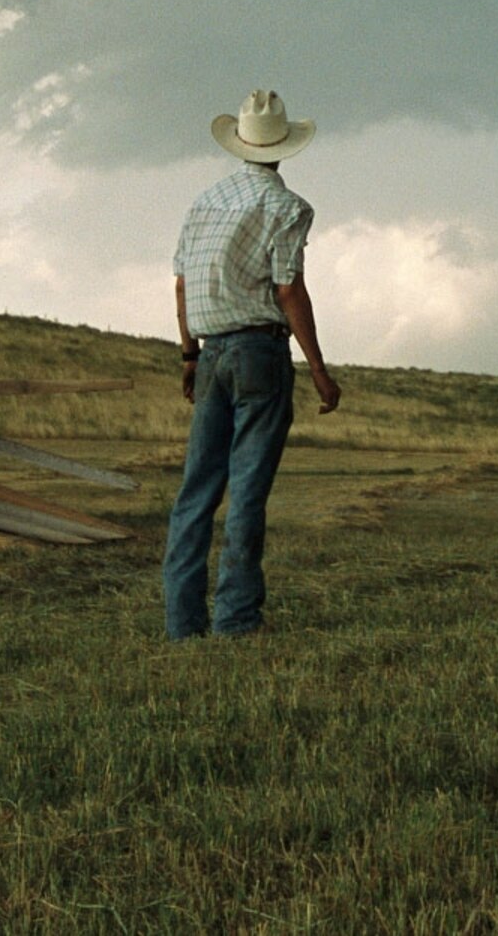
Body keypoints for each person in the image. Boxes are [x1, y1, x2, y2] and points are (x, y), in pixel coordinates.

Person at [162, 88, 344, 640]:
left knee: (197, 490)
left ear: (240, 144)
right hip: (259, 351)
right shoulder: (287, 207)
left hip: (211, 347)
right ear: (283, 148)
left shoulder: (205, 202)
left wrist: (190, 354)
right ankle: (237, 621)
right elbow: (288, 289)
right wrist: (316, 366)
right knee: (246, 490)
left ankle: (182, 623)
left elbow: (182, 284)